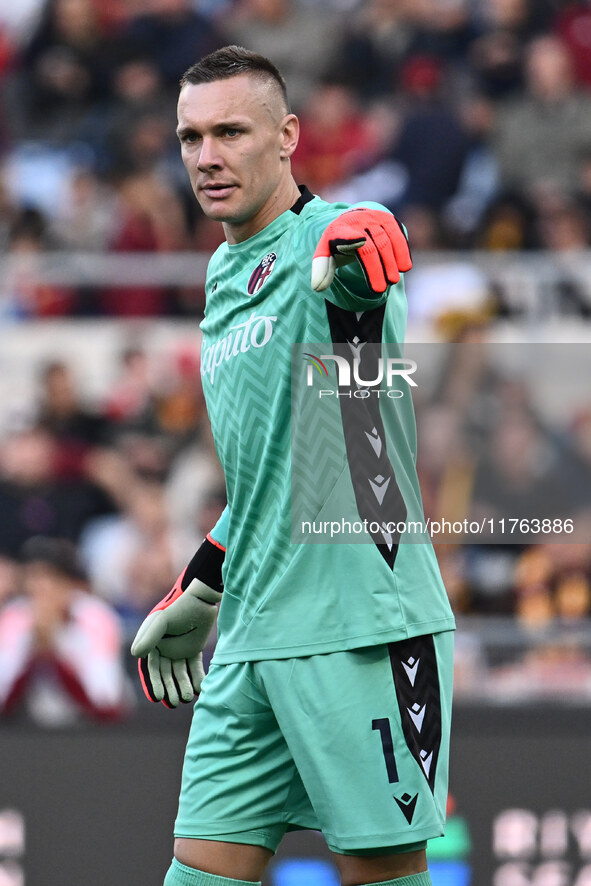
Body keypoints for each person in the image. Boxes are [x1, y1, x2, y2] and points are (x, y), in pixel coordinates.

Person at [131, 45, 455, 886]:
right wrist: (202, 587)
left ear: (287, 137)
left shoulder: (331, 244)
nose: (207, 157)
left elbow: (361, 274)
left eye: (231, 131)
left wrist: (365, 245)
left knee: (381, 875)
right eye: (190, 137)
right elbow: (276, 474)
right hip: (250, 637)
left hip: (359, 627)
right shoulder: (223, 274)